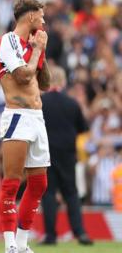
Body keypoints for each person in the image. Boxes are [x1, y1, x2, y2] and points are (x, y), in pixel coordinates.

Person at [0, 0, 51, 253]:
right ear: (30, 18)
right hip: (17, 115)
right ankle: (9, 245)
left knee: (39, 184)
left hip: (36, 118)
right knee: (12, 182)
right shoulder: (8, 41)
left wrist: (41, 51)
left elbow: (45, 83)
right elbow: (23, 76)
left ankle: (23, 242)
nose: (43, 21)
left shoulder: (32, 45)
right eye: (41, 17)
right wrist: (36, 50)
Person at [41, 67, 93, 245]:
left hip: (46, 154)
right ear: (63, 82)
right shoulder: (72, 103)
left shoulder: (41, 102)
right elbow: (83, 128)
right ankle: (80, 233)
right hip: (68, 155)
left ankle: (50, 236)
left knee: (48, 194)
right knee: (71, 194)